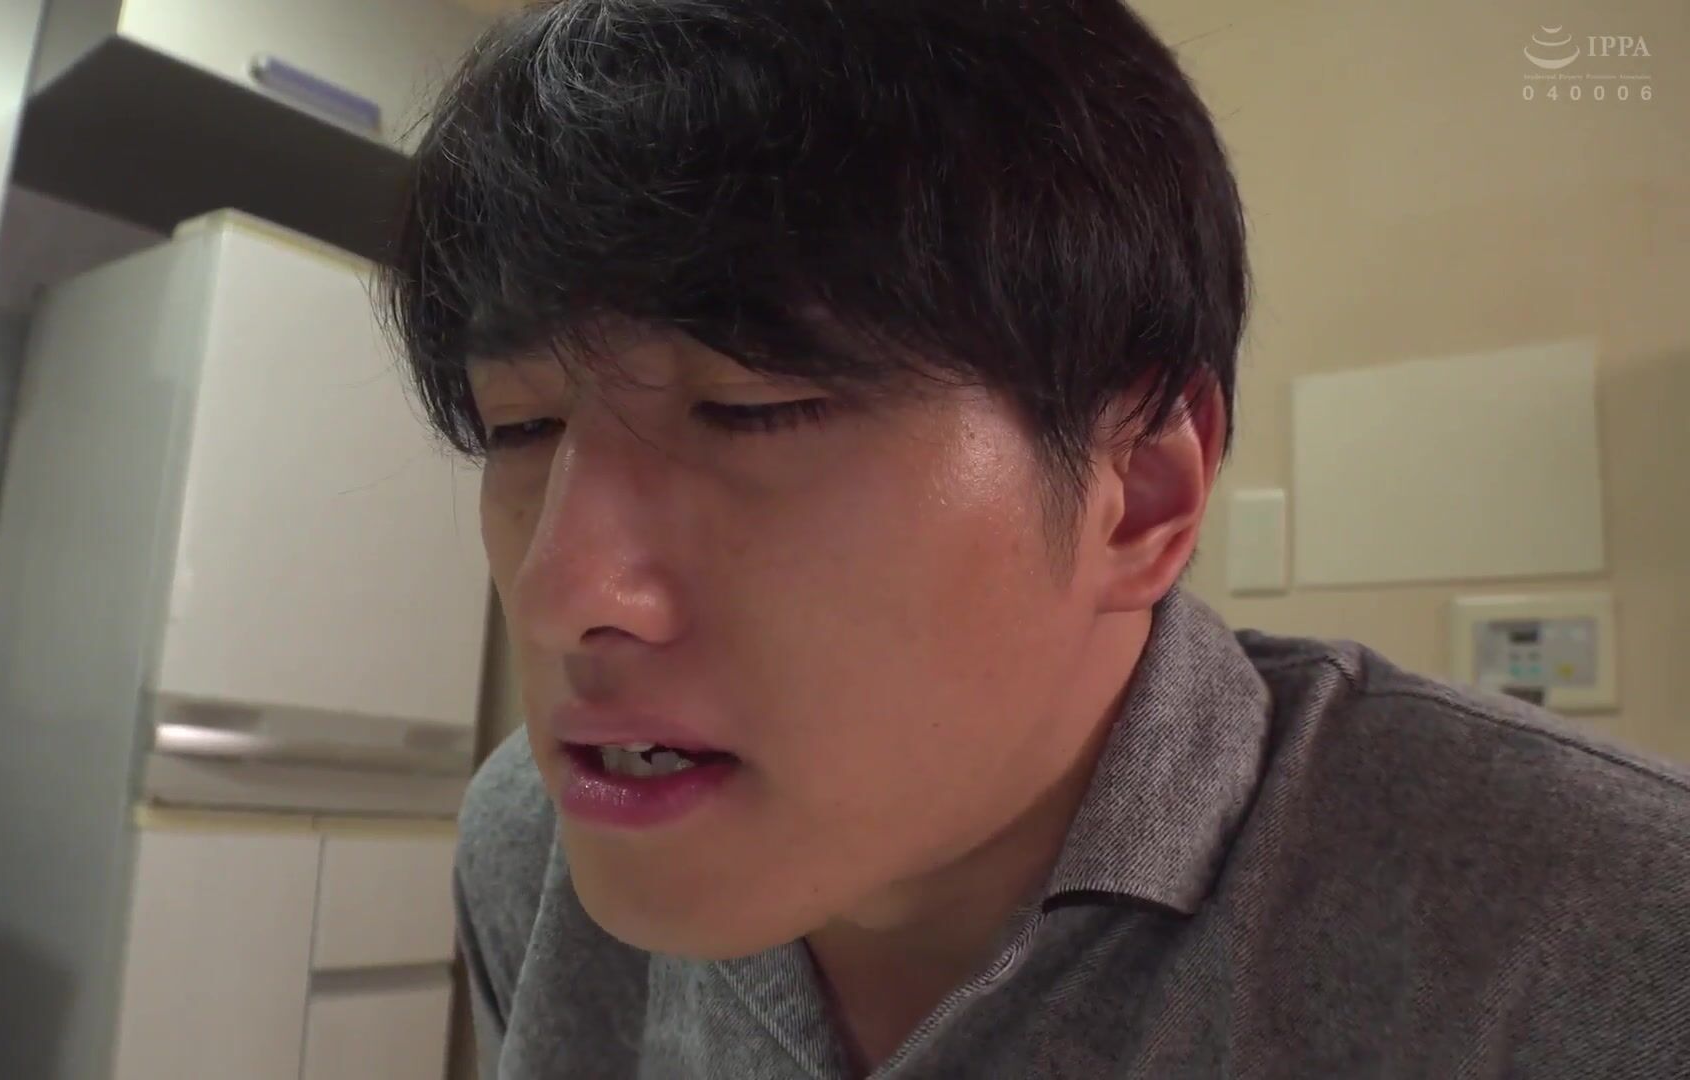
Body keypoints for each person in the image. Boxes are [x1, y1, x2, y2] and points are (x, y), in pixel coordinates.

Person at [384, 1, 1690, 1075]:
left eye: (751, 410)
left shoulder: (1608, 943)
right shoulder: (537, 846)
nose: (561, 588)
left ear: (1142, 489)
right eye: (519, 428)